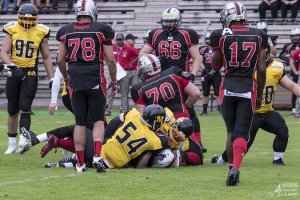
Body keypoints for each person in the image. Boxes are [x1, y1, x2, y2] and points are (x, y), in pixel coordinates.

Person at [56, 0, 117, 173]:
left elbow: (60, 60)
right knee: (98, 120)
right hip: (95, 79)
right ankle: (98, 156)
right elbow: (110, 60)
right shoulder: (101, 29)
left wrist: (67, 78)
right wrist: (113, 81)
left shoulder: (65, 31)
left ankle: (80, 163)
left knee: (80, 122)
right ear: (92, 11)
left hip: (75, 80)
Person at [210, 2, 267, 186]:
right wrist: (259, 95)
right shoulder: (258, 34)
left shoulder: (220, 35)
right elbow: (262, 68)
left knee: (230, 131)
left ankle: (230, 169)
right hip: (248, 87)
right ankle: (235, 167)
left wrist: (217, 51)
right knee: (242, 132)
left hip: (227, 87)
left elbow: (216, 65)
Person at [212, 50, 300, 165]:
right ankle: (221, 161)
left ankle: (277, 159)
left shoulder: (276, 68)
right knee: (244, 144)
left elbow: (292, 85)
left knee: (283, 131)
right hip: (250, 112)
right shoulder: (247, 70)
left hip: (267, 112)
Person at [139, 7, 203, 149]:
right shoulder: (155, 34)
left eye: (171, 21)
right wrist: (154, 59)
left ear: (178, 21)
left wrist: (192, 74)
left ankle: (197, 142)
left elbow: (197, 58)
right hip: (160, 78)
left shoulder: (187, 34)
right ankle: (160, 141)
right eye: (166, 21)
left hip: (180, 78)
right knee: (159, 112)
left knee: (189, 112)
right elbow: (142, 53)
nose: (168, 24)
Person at [0, 3, 54, 154]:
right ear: (19, 17)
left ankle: (23, 140)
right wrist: (12, 67)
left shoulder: (41, 31)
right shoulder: (12, 29)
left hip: (30, 72)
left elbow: (47, 57)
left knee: (25, 106)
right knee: (12, 109)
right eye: (24, 19)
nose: (28, 22)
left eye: (31, 19)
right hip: (14, 70)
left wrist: (52, 78)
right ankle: (11, 144)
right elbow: (3, 52)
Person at [105, 33, 140, 115]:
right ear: (116, 40)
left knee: (124, 92)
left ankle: (123, 110)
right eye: (118, 39)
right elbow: (105, 55)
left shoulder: (128, 48)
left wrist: (132, 62)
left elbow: (139, 54)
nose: (119, 41)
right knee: (110, 91)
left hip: (124, 72)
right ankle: (107, 110)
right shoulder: (113, 47)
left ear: (123, 40)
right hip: (115, 71)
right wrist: (107, 62)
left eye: (121, 39)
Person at [199, 32, 221, 116]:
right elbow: (200, 62)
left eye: (210, 39)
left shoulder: (218, 49)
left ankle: (220, 110)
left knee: (217, 93)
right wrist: (206, 70)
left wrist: (216, 69)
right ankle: (204, 111)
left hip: (216, 73)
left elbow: (221, 60)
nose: (209, 40)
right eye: (208, 38)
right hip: (206, 73)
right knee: (205, 93)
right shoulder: (202, 49)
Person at [279, 28, 300, 116]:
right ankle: (294, 109)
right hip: (294, 71)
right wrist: (290, 61)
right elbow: (281, 55)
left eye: (296, 35)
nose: (294, 37)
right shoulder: (288, 46)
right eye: (293, 36)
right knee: (293, 89)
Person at [290, 48, 300, 117]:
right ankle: (297, 112)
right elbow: (291, 61)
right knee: (299, 92)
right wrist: (295, 71)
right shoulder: (298, 51)